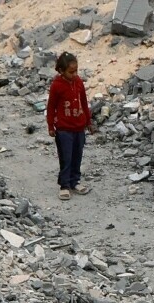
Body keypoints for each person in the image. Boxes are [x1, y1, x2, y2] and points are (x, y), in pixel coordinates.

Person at [46, 53, 94, 200]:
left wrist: (88, 122)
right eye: (71, 72)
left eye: (76, 71)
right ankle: (64, 185)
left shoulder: (78, 82)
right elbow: (51, 107)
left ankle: (75, 181)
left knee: (77, 156)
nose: (74, 74)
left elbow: (84, 103)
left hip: (79, 127)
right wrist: (51, 126)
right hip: (64, 129)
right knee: (66, 157)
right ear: (61, 71)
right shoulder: (57, 85)